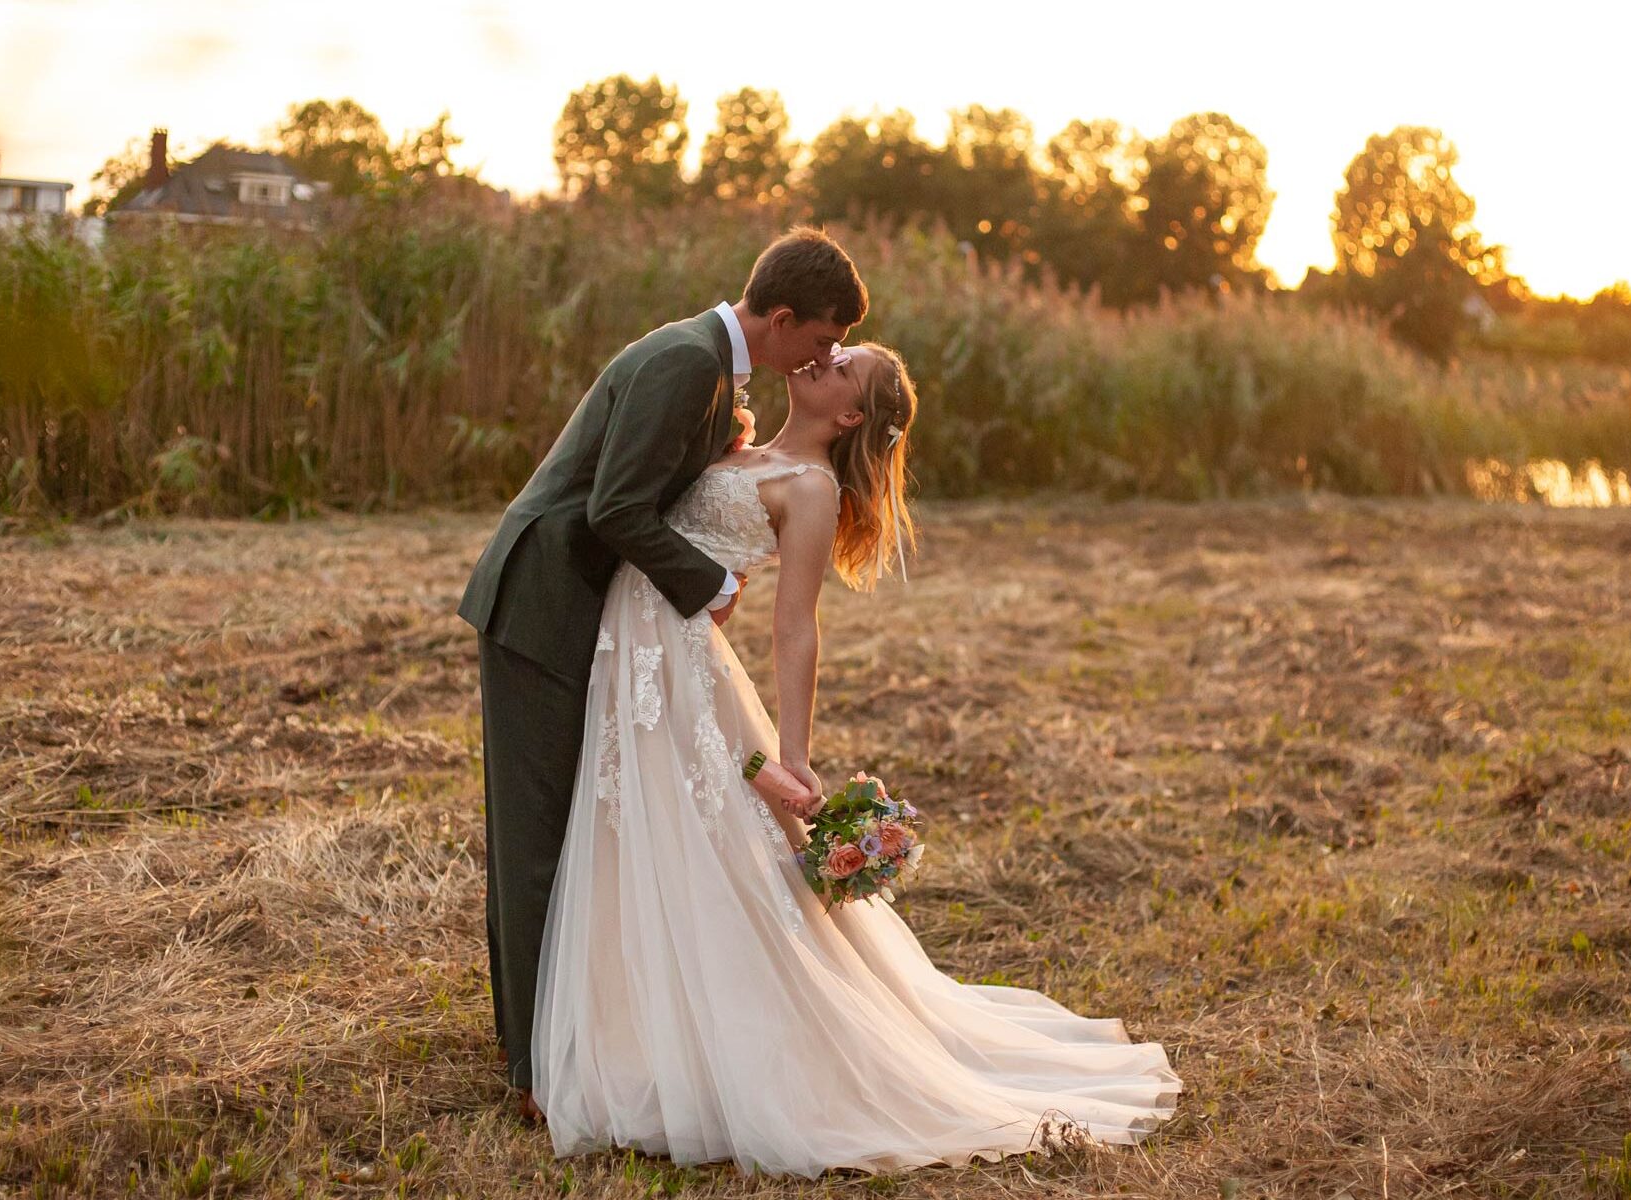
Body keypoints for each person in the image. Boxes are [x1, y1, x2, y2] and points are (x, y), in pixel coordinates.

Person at [531, 343, 1181, 1176]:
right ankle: (635, 1036)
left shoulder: (809, 487)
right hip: (633, 642)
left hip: (678, 657)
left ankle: (727, 1054)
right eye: (833, 349)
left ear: (848, 416)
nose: (823, 358)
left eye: (844, 366)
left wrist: (792, 755)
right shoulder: (737, 440)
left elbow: (796, 624)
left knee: (706, 841)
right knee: (637, 833)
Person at [456, 228, 867, 1117]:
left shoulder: (708, 371)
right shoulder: (687, 361)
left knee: (564, 826)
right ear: (784, 318)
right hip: (543, 605)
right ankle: (533, 1068)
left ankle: (542, 1036)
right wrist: (711, 581)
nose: (824, 356)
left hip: (595, 618)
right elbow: (612, 507)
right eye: (824, 338)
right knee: (535, 838)